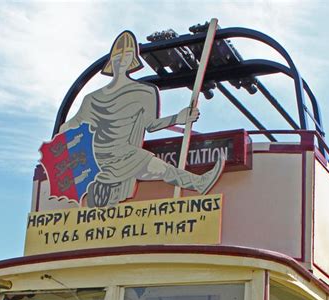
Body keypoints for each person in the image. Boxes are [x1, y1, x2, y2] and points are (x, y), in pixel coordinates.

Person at [60, 30, 224, 207]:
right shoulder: (92, 98)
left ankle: (199, 183)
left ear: (132, 60)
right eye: (117, 55)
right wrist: (61, 135)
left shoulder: (145, 92)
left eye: (127, 54)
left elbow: (151, 125)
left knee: (161, 169)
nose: (122, 60)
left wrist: (178, 118)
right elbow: (74, 124)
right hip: (96, 158)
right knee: (98, 211)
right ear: (111, 60)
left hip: (125, 153)